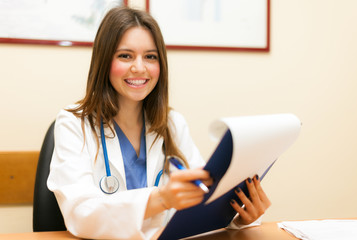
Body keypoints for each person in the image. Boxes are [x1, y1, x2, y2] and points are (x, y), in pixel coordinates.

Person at [47, 6, 271, 240]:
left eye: (150, 57)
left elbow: (203, 201)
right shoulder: (74, 123)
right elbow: (80, 214)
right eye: (125, 55)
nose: (140, 67)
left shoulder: (172, 123)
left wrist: (239, 216)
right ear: (104, 61)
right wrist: (160, 199)